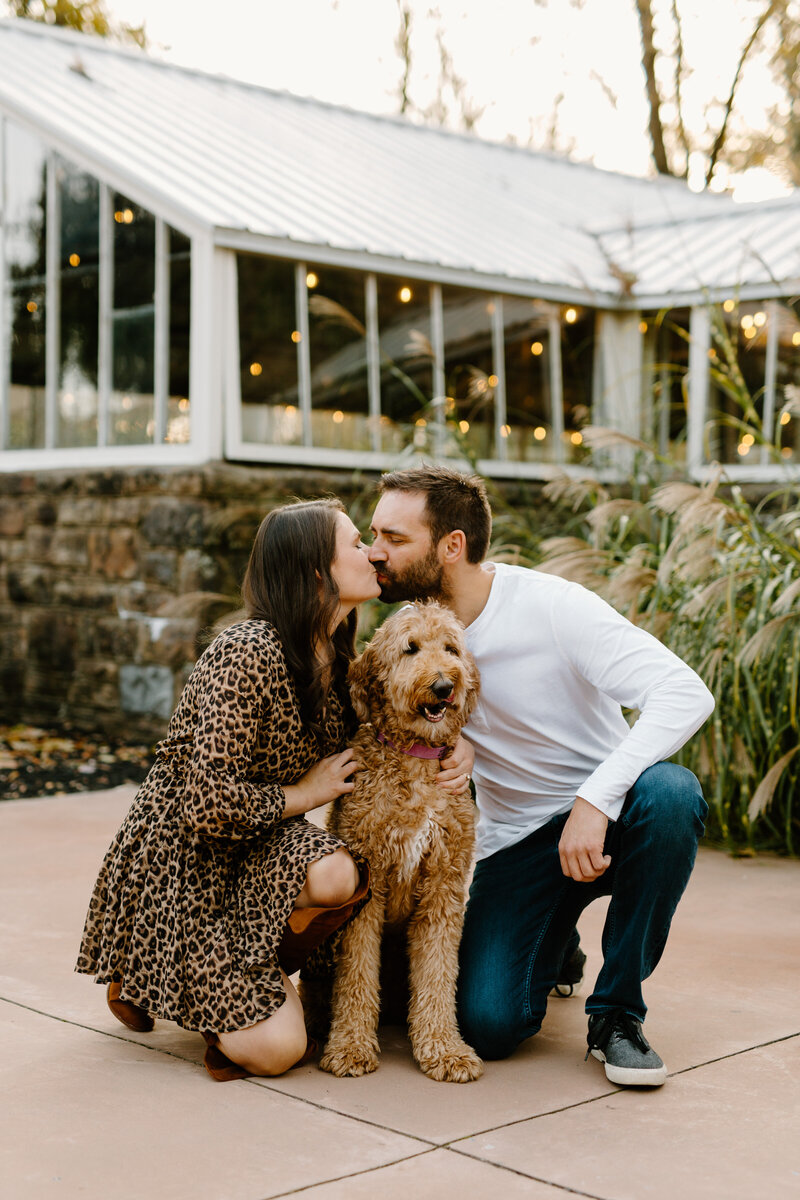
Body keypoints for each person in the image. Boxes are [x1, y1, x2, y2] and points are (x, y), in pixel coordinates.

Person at [76, 498, 471, 1082]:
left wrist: (451, 740)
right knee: (280, 1053)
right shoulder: (247, 652)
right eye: (355, 543)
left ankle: (241, 974)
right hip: (189, 857)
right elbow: (204, 802)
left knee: (341, 872)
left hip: (262, 842)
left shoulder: (337, 660)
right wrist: (307, 795)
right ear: (317, 572)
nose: (373, 552)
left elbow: (389, 722)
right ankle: (153, 964)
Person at [367, 465, 715, 1088]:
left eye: (394, 538)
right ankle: (559, 944)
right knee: (489, 1027)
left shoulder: (554, 608)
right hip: (519, 841)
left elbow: (684, 693)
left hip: (611, 818)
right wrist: (462, 738)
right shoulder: (407, 638)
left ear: (452, 546)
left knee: (672, 793)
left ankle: (616, 1018)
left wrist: (596, 797)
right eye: (373, 536)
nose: (375, 553)